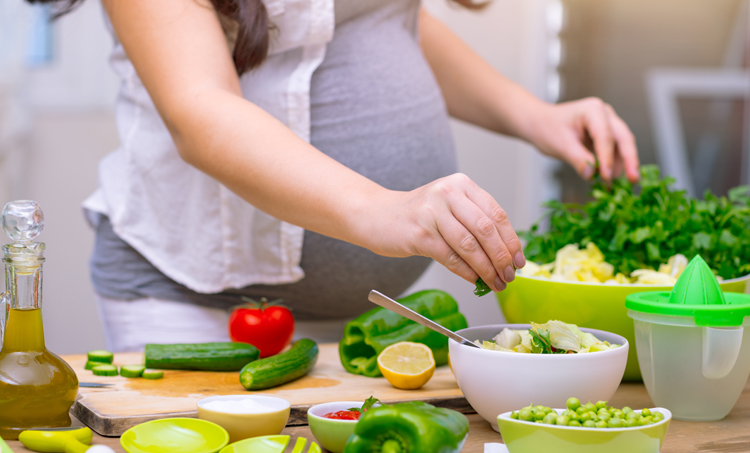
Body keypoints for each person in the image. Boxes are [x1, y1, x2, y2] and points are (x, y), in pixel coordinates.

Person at [32, 0, 639, 350]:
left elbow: (383, 16)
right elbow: (199, 112)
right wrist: (385, 211)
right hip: (199, 300)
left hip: (364, 316)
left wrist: (532, 115)